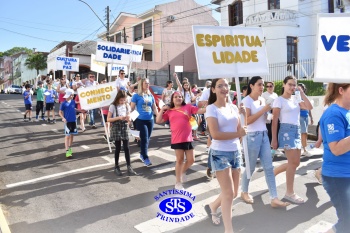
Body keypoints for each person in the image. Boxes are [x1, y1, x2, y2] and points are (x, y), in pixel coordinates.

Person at [241, 76, 290, 208]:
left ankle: (274, 197)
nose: (262, 87)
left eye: (263, 84)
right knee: (250, 167)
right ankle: (244, 191)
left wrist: (269, 116)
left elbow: (263, 118)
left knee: (269, 167)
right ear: (251, 86)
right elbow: (248, 120)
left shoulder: (262, 99)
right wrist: (264, 110)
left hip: (263, 134)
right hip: (252, 136)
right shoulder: (246, 101)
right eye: (259, 84)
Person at [204, 78, 246, 231]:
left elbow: (242, 131)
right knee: (228, 194)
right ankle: (229, 230)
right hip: (220, 153)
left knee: (234, 192)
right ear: (213, 89)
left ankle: (212, 206)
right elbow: (215, 134)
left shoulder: (234, 108)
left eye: (226, 85)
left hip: (235, 152)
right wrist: (237, 134)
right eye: (219, 86)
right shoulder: (211, 108)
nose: (224, 88)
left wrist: (245, 115)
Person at [271, 76, 313, 204]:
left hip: (297, 130)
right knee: (293, 162)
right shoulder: (279, 100)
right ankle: (289, 193)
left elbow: (309, 106)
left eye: (294, 85)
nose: (292, 87)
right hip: (286, 131)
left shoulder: (296, 98)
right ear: (284, 85)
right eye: (290, 84)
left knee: (295, 163)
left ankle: (273, 172)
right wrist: (274, 139)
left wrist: (301, 92)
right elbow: (274, 120)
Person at [156, 91, 206, 190]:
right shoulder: (169, 111)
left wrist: (210, 106)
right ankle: (178, 183)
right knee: (180, 160)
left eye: (180, 97)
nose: (178, 98)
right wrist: (162, 109)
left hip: (188, 138)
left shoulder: (188, 107)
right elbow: (158, 120)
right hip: (177, 139)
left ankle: (182, 171)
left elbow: (200, 111)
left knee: (191, 160)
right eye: (176, 97)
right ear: (172, 99)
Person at [318, 83, 350, 233]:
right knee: (347, 223)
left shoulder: (347, 111)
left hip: (346, 174)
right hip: (338, 177)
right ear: (341, 90)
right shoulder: (333, 114)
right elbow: (336, 149)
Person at [108, 90, 138, 176]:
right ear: (117, 99)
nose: (122, 102)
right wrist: (119, 117)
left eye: (124, 100)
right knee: (118, 147)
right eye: (121, 100)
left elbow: (129, 116)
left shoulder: (127, 105)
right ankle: (116, 166)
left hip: (124, 126)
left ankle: (129, 166)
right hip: (116, 126)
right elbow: (108, 119)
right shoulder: (113, 106)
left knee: (126, 147)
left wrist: (129, 118)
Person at [130, 78, 158, 167]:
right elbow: (132, 108)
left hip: (150, 120)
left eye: (148, 83)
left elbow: (154, 107)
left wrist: (158, 116)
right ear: (141, 84)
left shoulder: (150, 96)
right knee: (145, 139)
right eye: (146, 83)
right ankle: (145, 158)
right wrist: (131, 120)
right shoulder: (136, 96)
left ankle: (142, 154)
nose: (147, 85)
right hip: (140, 120)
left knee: (147, 139)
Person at [58, 89, 78, 158]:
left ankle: (70, 148)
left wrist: (81, 111)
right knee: (67, 136)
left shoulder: (73, 102)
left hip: (73, 121)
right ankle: (67, 151)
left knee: (72, 135)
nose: (73, 96)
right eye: (72, 95)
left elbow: (74, 109)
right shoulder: (63, 103)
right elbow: (60, 112)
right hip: (67, 121)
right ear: (69, 95)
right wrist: (63, 118)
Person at [298, 83, 314, 157]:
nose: (300, 90)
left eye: (302, 88)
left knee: (305, 133)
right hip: (300, 116)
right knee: (303, 133)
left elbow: (309, 108)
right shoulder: (297, 97)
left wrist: (311, 117)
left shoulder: (305, 97)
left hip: (306, 116)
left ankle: (304, 148)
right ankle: (304, 149)